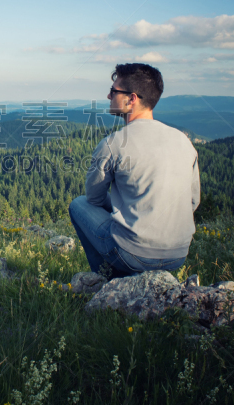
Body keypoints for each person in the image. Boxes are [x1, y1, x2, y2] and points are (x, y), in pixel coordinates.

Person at [69, 63, 200, 278]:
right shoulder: (183, 141)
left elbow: (93, 198)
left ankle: (108, 282)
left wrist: (119, 212)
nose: (108, 95)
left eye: (114, 91)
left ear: (131, 99)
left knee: (78, 204)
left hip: (133, 254)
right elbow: (193, 201)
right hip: (178, 254)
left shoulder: (114, 143)